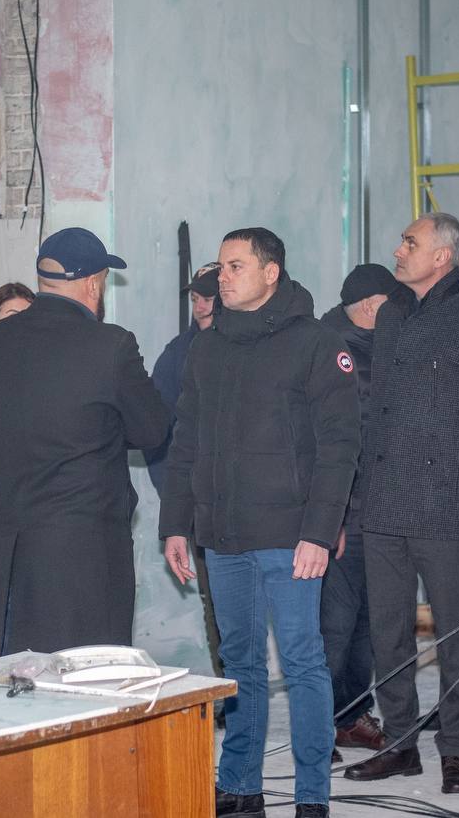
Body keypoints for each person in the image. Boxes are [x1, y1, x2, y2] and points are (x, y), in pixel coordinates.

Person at [160, 227, 360, 818]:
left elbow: (340, 446)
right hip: (223, 537)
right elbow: (186, 440)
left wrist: (319, 532)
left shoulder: (317, 343)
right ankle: (240, 785)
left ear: (271, 273)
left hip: (290, 538)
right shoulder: (208, 347)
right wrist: (176, 522)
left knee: (302, 663)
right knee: (240, 664)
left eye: (235, 266)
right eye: (220, 267)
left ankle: (312, 796)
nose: (221, 277)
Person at [346, 213, 459, 795]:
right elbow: (379, 409)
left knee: (455, 635)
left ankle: (456, 750)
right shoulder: (392, 315)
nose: (398, 249)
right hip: (385, 505)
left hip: (448, 508)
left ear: (443, 257)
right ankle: (400, 744)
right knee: (389, 634)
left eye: (410, 242)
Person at [0, 227, 170, 656]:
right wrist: (106, 428)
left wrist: (6, 502)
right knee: (92, 673)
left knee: (20, 674)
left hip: (10, 548)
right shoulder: (110, 345)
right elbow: (152, 429)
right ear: (93, 283)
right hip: (88, 550)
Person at [318, 263, 404, 760]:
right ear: (373, 306)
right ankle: (319, 727)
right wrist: (333, 515)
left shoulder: (382, 347)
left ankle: (351, 716)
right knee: (333, 626)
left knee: (369, 626)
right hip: (341, 515)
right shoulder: (329, 349)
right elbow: (331, 442)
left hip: (382, 513)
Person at [145, 262, 225, 680]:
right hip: (203, 508)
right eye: (195, 297)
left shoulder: (256, 346)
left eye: (208, 296)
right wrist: (177, 496)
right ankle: (231, 693)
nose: (200, 304)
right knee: (218, 601)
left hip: (262, 505)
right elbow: (156, 433)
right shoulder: (178, 355)